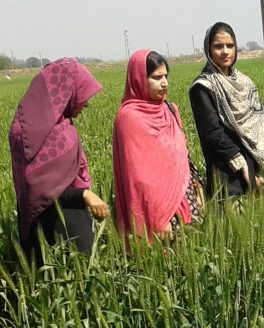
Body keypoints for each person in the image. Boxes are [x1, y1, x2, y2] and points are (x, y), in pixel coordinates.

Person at [8, 58, 110, 265]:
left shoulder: (63, 126)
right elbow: (37, 190)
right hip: (50, 232)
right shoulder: (29, 133)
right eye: (81, 93)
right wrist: (83, 194)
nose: (86, 103)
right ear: (66, 90)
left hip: (73, 223)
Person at [113, 50, 203, 243]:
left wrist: (197, 186)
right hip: (157, 211)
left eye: (165, 76)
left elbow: (181, 156)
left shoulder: (170, 109)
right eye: (156, 77)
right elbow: (137, 177)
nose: (164, 83)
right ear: (138, 79)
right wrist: (157, 219)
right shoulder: (129, 118)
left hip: (185, 200)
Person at [189, 22, 264, 198]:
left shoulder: (245, 83)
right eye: (218, 46)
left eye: (230, 45)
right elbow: (214, 134)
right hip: (227, 171)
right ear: (208, 49)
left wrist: (259, 167)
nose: (225, 51)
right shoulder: (202, 87)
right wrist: (243, 167)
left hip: (257, 164)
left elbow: (259, 126)